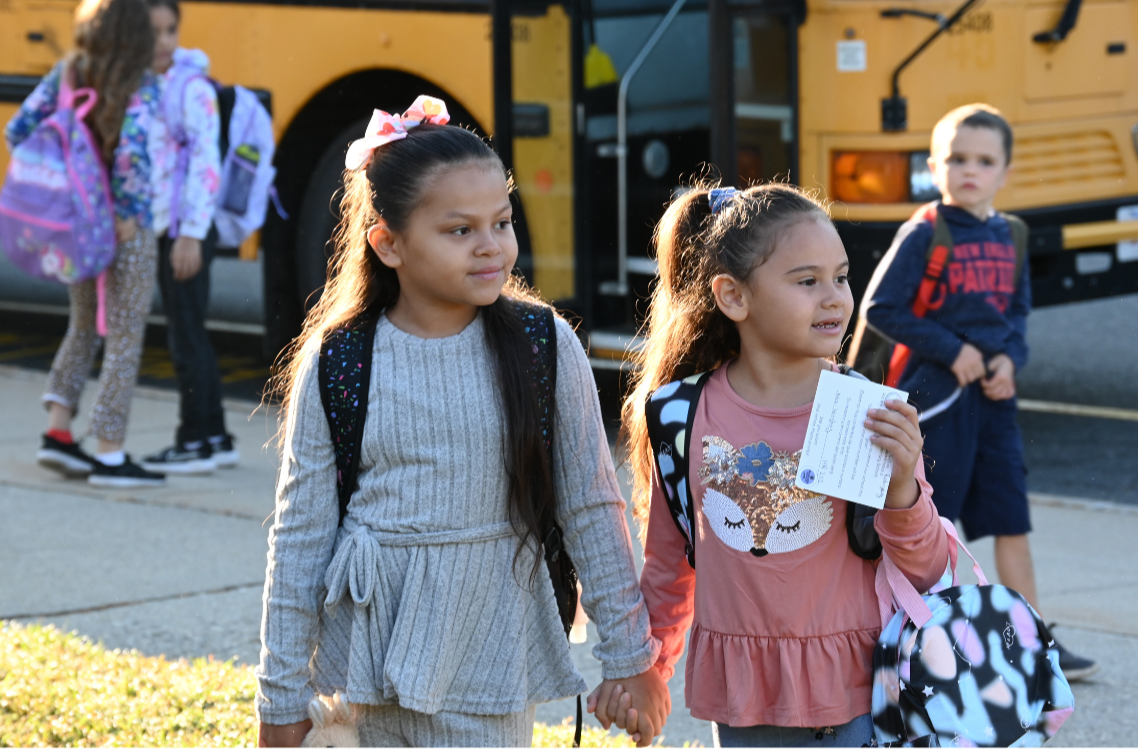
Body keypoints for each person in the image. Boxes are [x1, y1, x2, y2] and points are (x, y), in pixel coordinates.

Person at [254, 99, 669, 747]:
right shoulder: (340, 359)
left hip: (489, 659)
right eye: (458, 230)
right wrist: (280, 696)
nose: (491, 246)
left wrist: (629, 656)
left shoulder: (544, 345)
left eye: (501, 222)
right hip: (361, 663)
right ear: (388, 244)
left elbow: (591, 506)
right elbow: (301, 535)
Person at [622, 183, 951, 747]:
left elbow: (927, 573)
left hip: (861, 696)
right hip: (745, 699)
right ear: (733, 297)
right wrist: (649, 669)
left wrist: (902, 489)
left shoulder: (864, 409)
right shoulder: (681, 413)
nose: (834, 298)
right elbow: (669, 563)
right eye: (807, 281)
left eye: (842, 277)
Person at [860, 104, 1097, 681]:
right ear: (935, 167)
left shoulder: (1010, 234)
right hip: (939, 402)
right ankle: (935, 640)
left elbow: (1016, 315)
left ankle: (1032, 642)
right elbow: (880, 308)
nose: (970, 171)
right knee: (940, 527)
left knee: (1011, 520)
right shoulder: (924, 232)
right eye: (957, 159)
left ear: (1005, 171)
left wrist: (1010, 362)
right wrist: (953, 350)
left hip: (994, 404)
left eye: (984, 161)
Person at [9, 0, 166, 488]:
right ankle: (110, 454)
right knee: (123, 334)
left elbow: (20, 131)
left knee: (81, 325)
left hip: (74, 226)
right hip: (124, 227)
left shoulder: (68, 73)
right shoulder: (142, 84)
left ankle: (57, 432)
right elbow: (133, 158)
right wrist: (124, 213)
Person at [138, 0, 237, 475]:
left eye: (170, 30)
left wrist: (191, 235)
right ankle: (215, 435)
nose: (162, 42)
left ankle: (195, 439)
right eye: (152, 32)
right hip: (169, 227)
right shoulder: (148, 85)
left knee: (185, 337)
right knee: (189, 331)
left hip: (184, 231)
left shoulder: (189, 88)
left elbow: (204, 165)